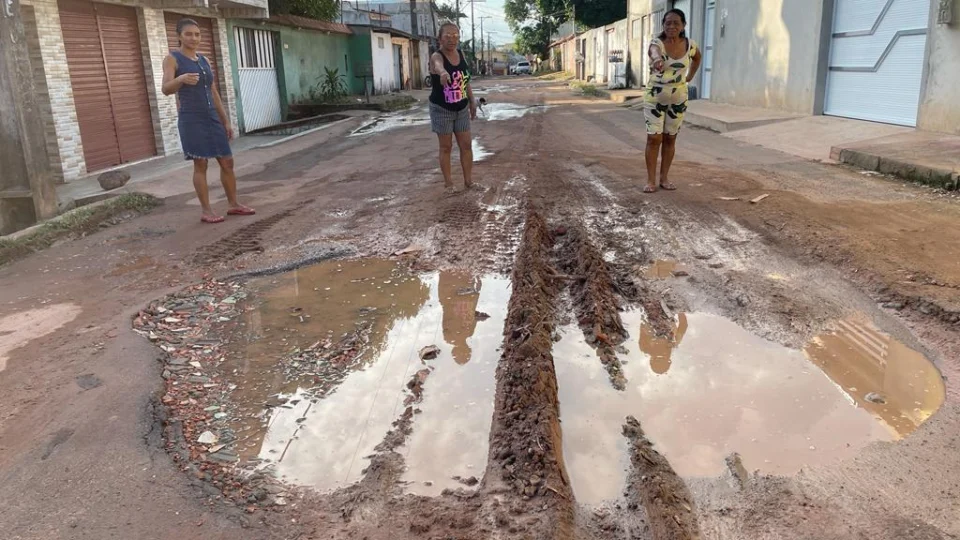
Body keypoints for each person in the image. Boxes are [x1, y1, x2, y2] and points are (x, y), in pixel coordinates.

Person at [161, 18, 254, 223]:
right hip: (191, 119)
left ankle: (233, 204)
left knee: (227, 161)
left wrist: (225, 121)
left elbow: (213, 92)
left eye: (197, 34)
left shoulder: (204, 61)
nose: (194, 38)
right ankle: (206, 210)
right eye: (188, 34)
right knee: (200, 163)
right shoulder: (172, 59)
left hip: (211, 116)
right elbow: (166, 88)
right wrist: (181, 79)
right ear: (179, 36)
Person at [642, 9, 702, 193]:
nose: (671, 26)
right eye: (667, 22)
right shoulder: (657, 43)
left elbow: (697, 58)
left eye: (676, 23)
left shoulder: (690, 45)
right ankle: (651, 180)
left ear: (683, 25)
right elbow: (653, 51)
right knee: (654, 138)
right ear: (663, 25)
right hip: (655, 97)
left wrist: (689, 77)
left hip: (678, 100)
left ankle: (664, 178)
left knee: (670, 138)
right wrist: (658, 58)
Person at [429, 22, 478, 192]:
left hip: (461, 107)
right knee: (446, 147)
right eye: (448, 36)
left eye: (455, 36)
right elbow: (438, 66)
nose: (452, 39)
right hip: (442, 109)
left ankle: (469, 182)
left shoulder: (461, 54)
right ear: (440, 38)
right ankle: (449, 184)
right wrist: (442, 73)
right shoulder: (437, 56)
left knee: (466, 145)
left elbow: (465, 81)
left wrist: (472, 101)